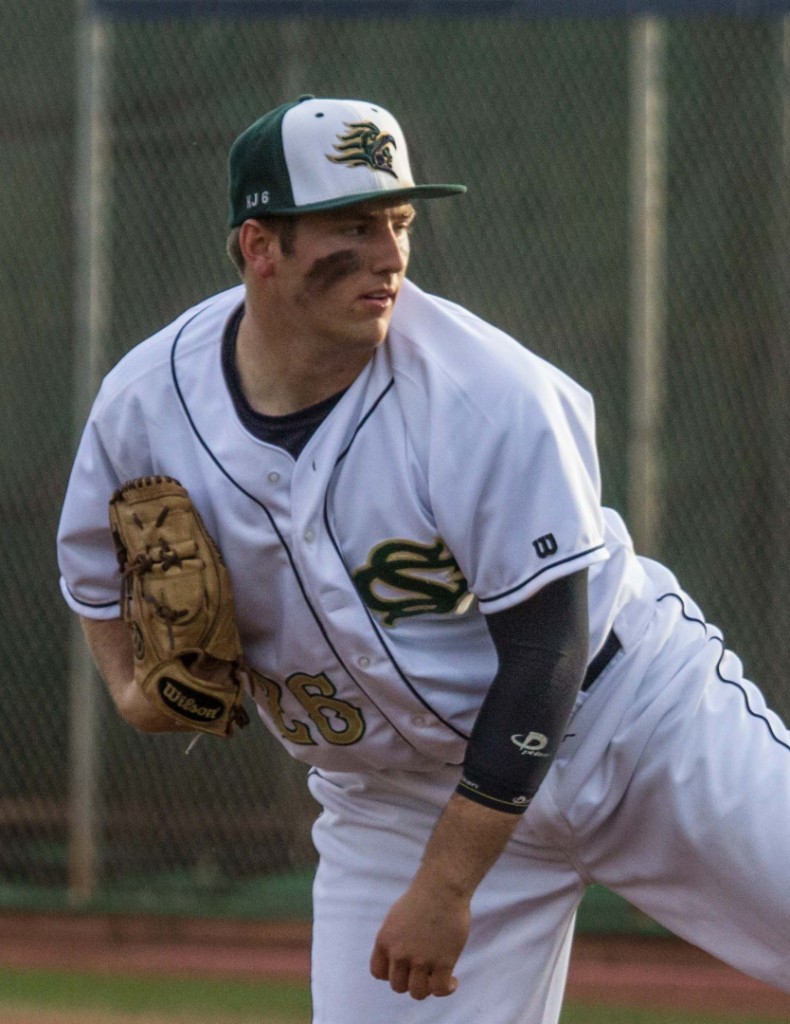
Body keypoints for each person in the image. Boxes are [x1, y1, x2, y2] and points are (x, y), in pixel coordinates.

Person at [57, 95, 790, 1023]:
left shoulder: (487, 395)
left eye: (398, 223)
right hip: (391, 793)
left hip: (630, 728)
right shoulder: (147, 404)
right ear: (258, 246)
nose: (389, 255)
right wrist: (129, 687)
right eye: (351, 226)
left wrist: (446, 888)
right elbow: (91, 572)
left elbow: (546, 653)